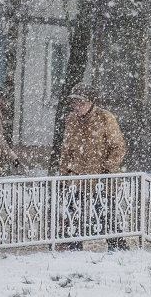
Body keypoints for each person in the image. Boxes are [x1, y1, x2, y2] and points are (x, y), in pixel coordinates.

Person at [58, 84, 127, 251]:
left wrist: (108, 168)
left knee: (105, 214)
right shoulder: (71, 120)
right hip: (77, 176)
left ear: (90, 102)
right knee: (74, 212)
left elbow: (118, 147)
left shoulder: (105, 118)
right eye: (74, 103)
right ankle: (74, 245)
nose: (77, 107)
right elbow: (66, 149)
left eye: (81, 103)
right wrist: (63, 174)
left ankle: (116, 246)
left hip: (101, 177)